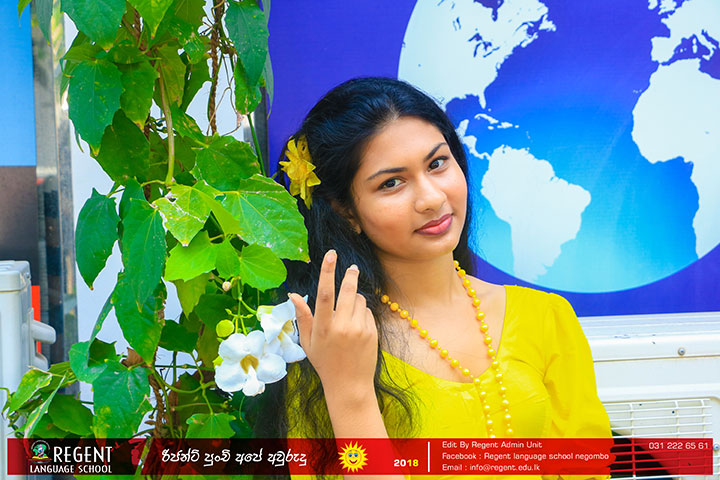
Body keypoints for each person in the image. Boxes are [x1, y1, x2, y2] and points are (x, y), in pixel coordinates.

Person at [260, 77, 611, 480]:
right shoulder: (332, 344)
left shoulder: (545, 317)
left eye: (437, 163)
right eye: (391, 183)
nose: (431, 198)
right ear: (346, 211)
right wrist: (349, 392)